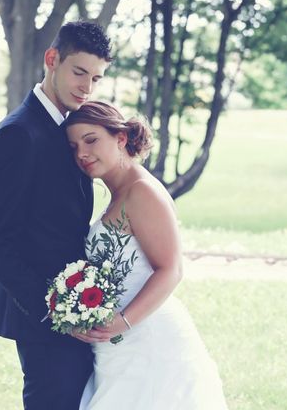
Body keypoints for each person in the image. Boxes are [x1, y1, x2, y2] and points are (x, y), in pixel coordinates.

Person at [0, 21, 112, 410]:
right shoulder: (19, 134)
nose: (87, 87)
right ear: (52, 60)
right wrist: (54, 311)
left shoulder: (71, 126)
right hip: (44, 316)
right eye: (79, 72)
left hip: (76, 310)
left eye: (96, 78)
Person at [64, 101, 228, 409]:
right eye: (73, 146)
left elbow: (171, 269)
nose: (82, 154)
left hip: (149, 341)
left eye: (91, 139)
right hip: (115, 347)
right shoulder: (118, 194)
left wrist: (123, 321)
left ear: (121, 138)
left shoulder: (142, 192)